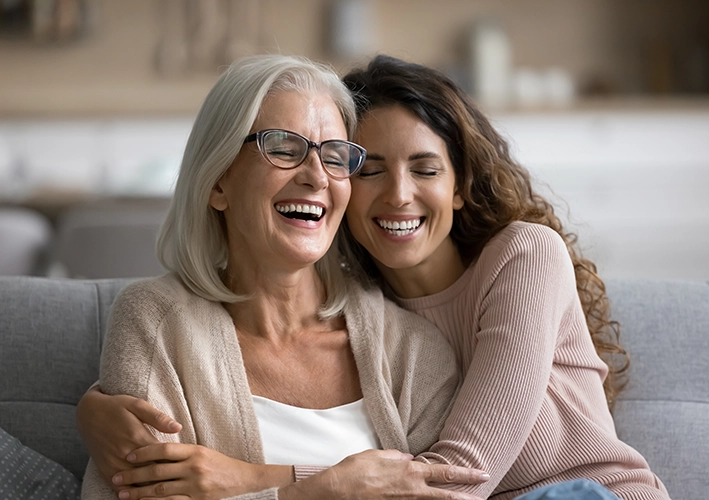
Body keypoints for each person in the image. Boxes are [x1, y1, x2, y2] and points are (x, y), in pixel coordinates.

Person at [78, 55, 664, 500]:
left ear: (460, 185)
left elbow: (453, 480)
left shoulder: (503, 271)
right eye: (369, 168)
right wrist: (91, 405)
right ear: (217, 181)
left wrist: (268, 481)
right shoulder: (378, 303)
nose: (398, 195)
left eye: (334, 155)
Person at [80, 54, 489, 500]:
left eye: (336, 157)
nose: (316, 177)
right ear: (218, 181)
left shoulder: (410, 350)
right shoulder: (156, 323)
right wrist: (321, 490)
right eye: (282, 148)